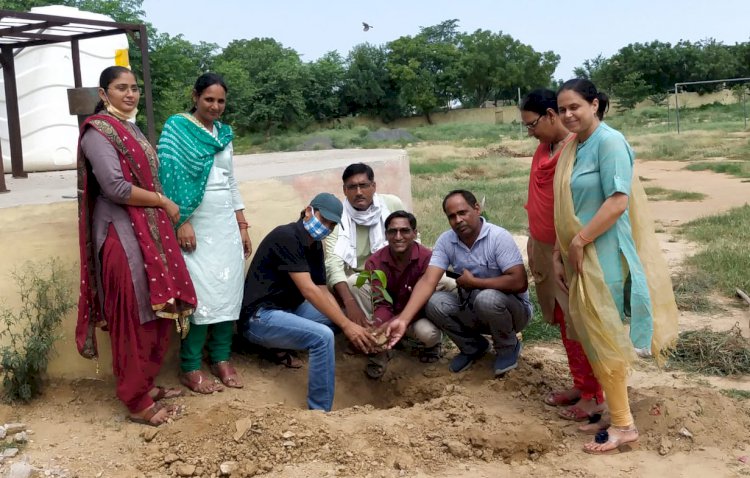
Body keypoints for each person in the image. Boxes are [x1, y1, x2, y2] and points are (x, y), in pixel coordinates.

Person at [553, 79, 678, 454]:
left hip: (604, 253)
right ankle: (612, 409)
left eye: (575, 106)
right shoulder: (575, 146)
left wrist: (579, 240)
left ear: (595, 104)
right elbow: (568, 207)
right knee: (593, 336)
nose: (568, 114)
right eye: (562, 109)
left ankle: (624, 426)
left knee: (605, 335)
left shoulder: (609, 142)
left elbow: (618, 201)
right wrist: (562, 251)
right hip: (580, 255)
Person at [76, 66, 197, 426]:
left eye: (134, 88)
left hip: (148, 234)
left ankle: (145, 384)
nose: (129, 94)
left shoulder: (130, 127)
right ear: (103, 93)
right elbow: (115, 187)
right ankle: (135, 400)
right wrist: (162, 201)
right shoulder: (98, 132)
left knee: (157, 314)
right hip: (121, 235)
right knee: (133, 316)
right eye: (120, 88)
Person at [158, 73, 252, 394]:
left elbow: (230, 180)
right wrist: (181, 220)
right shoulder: (177, 128)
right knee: (199, 297)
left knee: (227, 292)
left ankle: (222, 358)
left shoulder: (224, 134)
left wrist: (241, 225)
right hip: (193, 223)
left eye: (221, 100)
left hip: (224, 223)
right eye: (209, 99)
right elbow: (168, 175)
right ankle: (190, 366)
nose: (215, 106)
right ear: (195, 96)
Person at [240, 193, 377, 411]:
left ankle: (278, 347)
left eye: (331, 225)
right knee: (323, 337)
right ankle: (320, 411)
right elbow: (309, 290)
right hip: (259, 317)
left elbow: (323, 290)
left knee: (335, 316)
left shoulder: (315, 246)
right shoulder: (287, 236)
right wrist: (346, 325)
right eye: (323, 220)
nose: (325, 227)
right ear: (308, 211)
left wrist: (349, 320)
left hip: (288, 310)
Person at [520, 89, 606, 424]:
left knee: (579, 323)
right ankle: (581, 384)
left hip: (567, 249)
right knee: (561, 320)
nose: (530, 132)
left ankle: (594, 396)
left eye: (532, 124)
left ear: (550, 115)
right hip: (542, 247)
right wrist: (532, 243)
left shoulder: (577, 149)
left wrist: (564, 248)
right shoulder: (543, 149)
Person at [385, 190, 532, 376]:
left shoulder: (498, 237)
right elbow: (428, 280)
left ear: (477, 208)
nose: (458, 220)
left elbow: (519, 281)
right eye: (452, 216)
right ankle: (473, 347)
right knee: (434, 302)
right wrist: (403, 320)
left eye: (463, 213)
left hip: (513, 312)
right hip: (473, 307)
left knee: (487, 298)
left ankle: (507, 347)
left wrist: (476, 282)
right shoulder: (447, 240)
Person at [361, 211, 443, 379]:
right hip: (393, 311)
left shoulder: (427, 258)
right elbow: (381, 302)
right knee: (376, 326)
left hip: (417, 313)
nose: (398, 236)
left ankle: (433, 347)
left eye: (405, 231)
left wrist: (394, 322)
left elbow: (423, 303)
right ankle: (384, 351)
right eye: (392, 231)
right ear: (386, 235)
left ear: (415, 233)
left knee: (429, 333)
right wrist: (379, 326)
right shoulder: (374, 262)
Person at [325, 163, 405, 328]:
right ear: (344, 190)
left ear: (374, 186)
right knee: (355, 281)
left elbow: (411, 238)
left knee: (444, 280)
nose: (359, 192)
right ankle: (374, 331)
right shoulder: (337, 216)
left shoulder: (391, 204)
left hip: (394, 272)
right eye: (352, 187)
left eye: (364, 185)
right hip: (360, 280)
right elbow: (333, 262)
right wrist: (349, 302)